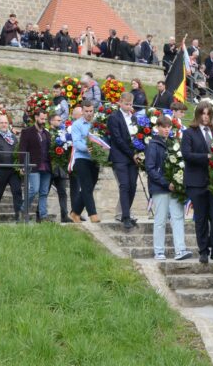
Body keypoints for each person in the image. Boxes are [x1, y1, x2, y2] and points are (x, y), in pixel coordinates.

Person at [181, 101, 213, 265]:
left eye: (208, 114)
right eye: (202, 113)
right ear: (198, 114)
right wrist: (206, 157)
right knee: (200, 219)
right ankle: (203, 251)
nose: (205, 117)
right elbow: (186, 155)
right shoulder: (189, 133)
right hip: (196, 181)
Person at [146, 115, 191, 260]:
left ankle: (181, 249)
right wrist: (166, 183)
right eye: (163, 127)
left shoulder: (173, 143)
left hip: (174, 187)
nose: (166, 130)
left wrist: (178, 182)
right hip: (160, 188)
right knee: (160, 219)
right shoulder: (152, 145)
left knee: (178, 217)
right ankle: (159, 251)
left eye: (168, 127)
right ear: (157, 127)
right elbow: (151, 169)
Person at [107, 91, 139, 230]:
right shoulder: (114, 117)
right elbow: (117, 139)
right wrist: (131, 153)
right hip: (120, 156)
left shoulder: (134, 118)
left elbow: (138, 136)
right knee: (124, 185)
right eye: (126, 104)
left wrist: (138, 153)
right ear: (120, 102)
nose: (128, 106)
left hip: (133, 157)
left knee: (133, 186)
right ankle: (125, 216)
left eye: (130, 104)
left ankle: (127, 213)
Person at [67, 100, 101, 223]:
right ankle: (93, 214)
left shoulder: (97, 124)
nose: (89, 113)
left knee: (90, 186)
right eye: (86, 111)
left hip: (95, 159)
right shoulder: (77, 124)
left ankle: (75, 213)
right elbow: (76, 142)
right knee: (86, 186)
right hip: (82, 158)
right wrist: (86, 148)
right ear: (82, 111)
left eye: (91, 111)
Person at [20, 109, 53, 222]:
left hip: (47, 167)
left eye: (45, 119)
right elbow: (22, 150)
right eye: (42, 118)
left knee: (44, 192)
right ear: (36, 117)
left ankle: (43, 216)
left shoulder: (47, 134)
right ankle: (23, 209)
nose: (43, 121)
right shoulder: (27, 132)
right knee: (34, 189)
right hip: (33, 165)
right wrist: (23, 165)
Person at [48, 112, 70, 222]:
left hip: (60, 168)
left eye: (61, 120)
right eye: (58, 120)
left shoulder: (63, 133)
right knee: (44, 192)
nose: (60, 122)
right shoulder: (47, 133)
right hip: (49, 167)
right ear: (51, 121)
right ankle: (39, 214)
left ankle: (64, 216)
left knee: (63, 192)